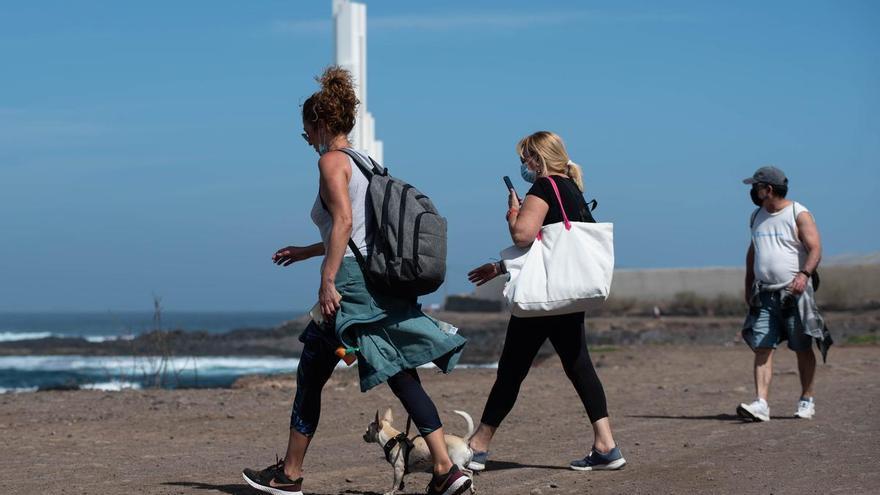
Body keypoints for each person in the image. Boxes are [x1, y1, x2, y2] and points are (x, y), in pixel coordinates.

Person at [242, 67, 471, 495]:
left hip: (350, 285)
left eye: (306, 130)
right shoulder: (366, 163)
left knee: (312, 369)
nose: (307, 139)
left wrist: (327, 281)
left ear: (322, 124)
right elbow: (356, 232)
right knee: (401, 372)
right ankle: (445, 468)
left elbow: (345, 223)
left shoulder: (331, 162)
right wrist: (307, 250)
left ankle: (290, 475)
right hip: (372, 280)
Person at [465, 131, 626, 472]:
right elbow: (552, 247)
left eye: (525, 159)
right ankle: (606, 445)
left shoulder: (542, 188)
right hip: (568, 294)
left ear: (537, 159)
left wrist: (513, 213)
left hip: (545, 297)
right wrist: (500, 266)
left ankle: (478, 445)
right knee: (579, 364)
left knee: (512, 370)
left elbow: (524, 236)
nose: (523, 165)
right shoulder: (572, 188)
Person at [737, 166, 824, 422]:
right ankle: (761, 403)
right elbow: (753, 252)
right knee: (762, 346)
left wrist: (804, 275)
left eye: (756, 186)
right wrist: (748, 284)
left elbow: (815, 249)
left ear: (768, 189)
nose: (753, 191)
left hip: (795, 294)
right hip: (764, 294)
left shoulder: (799, 213)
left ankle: (807, 399)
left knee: (802, 346)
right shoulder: (756, 216)